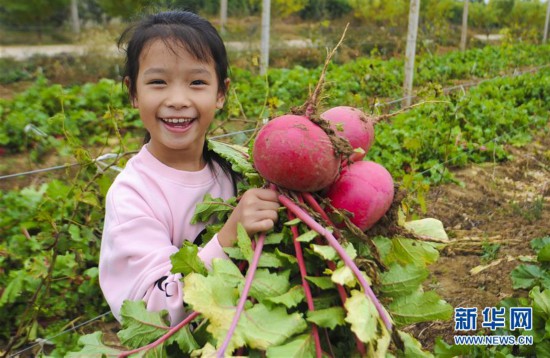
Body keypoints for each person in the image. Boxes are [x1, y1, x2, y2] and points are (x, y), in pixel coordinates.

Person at [98, 10, 280, 326]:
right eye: (158, 82)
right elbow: (150, 310)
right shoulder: (131, 194)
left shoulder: (237, 171)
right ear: (133, 92)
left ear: (220, 93)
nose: (178, 100)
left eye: (197, 82)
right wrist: (228, 236)